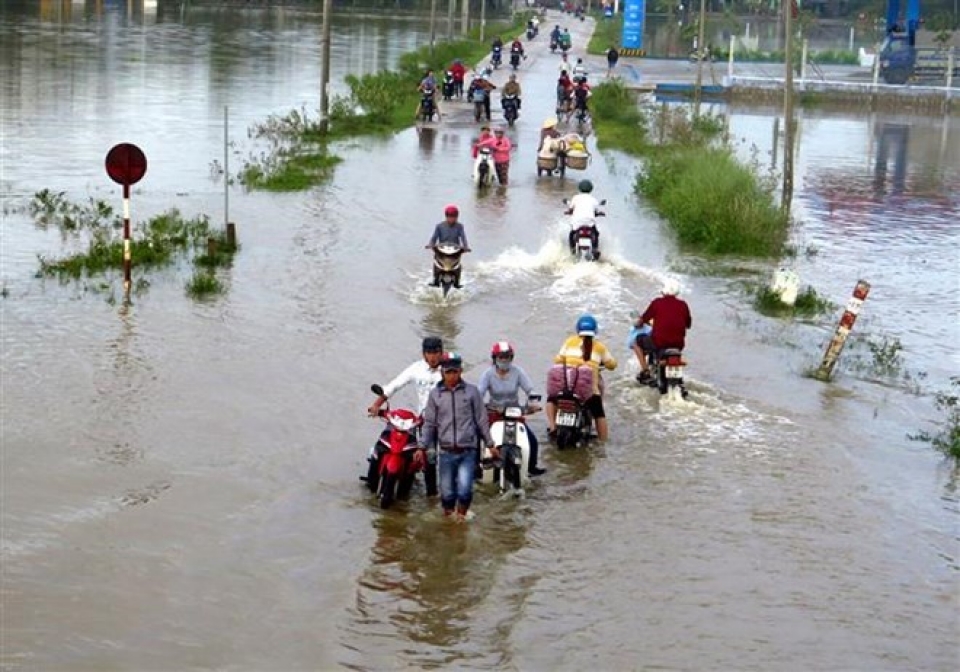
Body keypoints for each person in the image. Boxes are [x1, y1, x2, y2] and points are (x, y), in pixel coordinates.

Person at [419, 352, 496, 521]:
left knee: (465, 490)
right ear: (442, 373)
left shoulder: (472, 392)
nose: (452, 376)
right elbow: (429, 423)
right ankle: (449, 519)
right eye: (448, 372)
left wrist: (490, 444)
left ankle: (460, 519)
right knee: (447, 493)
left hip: (467, 450)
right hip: (445, 451)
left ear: (461, 371)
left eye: (455, 372)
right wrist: (422, 446)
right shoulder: (435, 395)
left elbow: (481, 420)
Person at [367, 336, 445, 496]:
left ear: (441, 353)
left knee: (440, 457)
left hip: (445, 421)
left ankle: (436, 495)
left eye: (436, 352)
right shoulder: (416, 369)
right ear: (424, 354)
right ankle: (424, 491)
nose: (433, 356)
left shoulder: (447, 371)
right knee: (424, 455)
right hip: (425, 421)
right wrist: (376, 404)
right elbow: (394, 385)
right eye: (429, 352)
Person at [477, 341, 547, 477]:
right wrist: (480, 406)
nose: (504, 360)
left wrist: (533, 402)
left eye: (507, 357)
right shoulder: (488, 374)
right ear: (495, 358)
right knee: (479, 438)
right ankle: (478, 467)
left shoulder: (518, 372)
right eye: (501, 357)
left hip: (514, 413)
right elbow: (480, 393)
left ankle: (531, 467)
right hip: (494, 413)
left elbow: (529, 389)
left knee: (532, 440)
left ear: (511, 358)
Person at [546, 314, 617, 442]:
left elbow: (558, 360)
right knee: (599, 413)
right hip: (587, 393)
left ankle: (552, 426)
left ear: (578, 330)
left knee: (551, 400)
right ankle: (603, 442)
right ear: (595, 331)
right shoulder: (599, 347)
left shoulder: (570, 341)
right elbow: (612, 364)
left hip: (566, 387)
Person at [639, 278, 692, 357]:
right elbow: (688, 325)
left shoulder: (657, 302)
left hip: (659, 343)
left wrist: (640, 322)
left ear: (663, 291)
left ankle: (645, 368)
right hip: (678, 345)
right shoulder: (683, 305)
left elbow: (643, 319)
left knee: (638, 339)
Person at [425, 205, 471, 288]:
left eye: (454, 217)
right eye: (450, 217)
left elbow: (463, 238)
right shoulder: (439, 226)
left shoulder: (460, 226)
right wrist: (430, 245)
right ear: (446, 216)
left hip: (454, 251)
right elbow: (434, 238)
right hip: (442, 251)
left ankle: (457, 283)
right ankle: (435, 281)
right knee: (436, 263)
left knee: (457, 265)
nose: (452, 219)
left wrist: (466, 247)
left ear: (457, 217)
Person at [564, 179, 602, 257]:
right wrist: (599, 213)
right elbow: (596, 211)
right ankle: (595, 248)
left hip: (577, 223)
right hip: (589, 223)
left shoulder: (575, 198)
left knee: (571, 234)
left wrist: (568, 212)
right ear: (591, 189)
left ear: (579, 188)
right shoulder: (593, 199)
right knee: (596, 233)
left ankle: (573, 249)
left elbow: (571, 209)